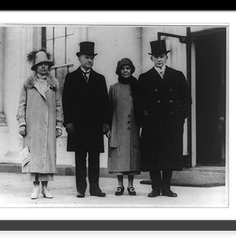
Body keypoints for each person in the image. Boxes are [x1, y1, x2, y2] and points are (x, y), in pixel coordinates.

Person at [138, 40, 191, 197]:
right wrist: (145, 116)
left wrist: (181, 116)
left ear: (166, 57)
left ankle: (166, 187)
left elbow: (186, 99)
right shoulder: (145, 77)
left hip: (171, 122)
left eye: (161, 56)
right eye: (156, 57)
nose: (159, 60)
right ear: (151, 58)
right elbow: (139, 102)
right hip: (152, 123)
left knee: (169, 155)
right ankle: (155, 188)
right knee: (153, 155)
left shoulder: (177, 75)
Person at [62, 41, 110, 198]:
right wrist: (68, 122)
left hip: (95, 126)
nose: (89, 60)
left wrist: (106, 123)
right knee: (80, 158)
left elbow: (105, 103)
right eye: (86, 57)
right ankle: (81, 188)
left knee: (95, 158)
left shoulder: (99, 79)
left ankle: (95, 188)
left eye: (92, 58)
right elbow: (66, 101)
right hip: (78, 126)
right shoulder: (71, 78)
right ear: (79, 58)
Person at [17, 49, 63, 199]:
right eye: (40, 64)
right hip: (33, 125)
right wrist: (22, 123)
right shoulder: (28, 84)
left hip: (49, 126)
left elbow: (58, 106)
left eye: (46, 64)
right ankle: (35, 188)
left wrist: (58, 124)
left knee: (47, 156)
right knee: (34, 156)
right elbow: (22, 104)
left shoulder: (53, 84)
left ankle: (45, 188)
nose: (43, 67)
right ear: (35, 66)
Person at [108, 58, 141, 196]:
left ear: (131, 70)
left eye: (128, 68)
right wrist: (108, 127)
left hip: (133, 127)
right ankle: (120, 185)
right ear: (119, 71)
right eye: (123, 68)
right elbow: (109, 108)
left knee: (132, 156)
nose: (125, 71)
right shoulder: (114, 88)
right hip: (117, 127)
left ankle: (131, 185)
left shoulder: (137, 86)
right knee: (119, 155)